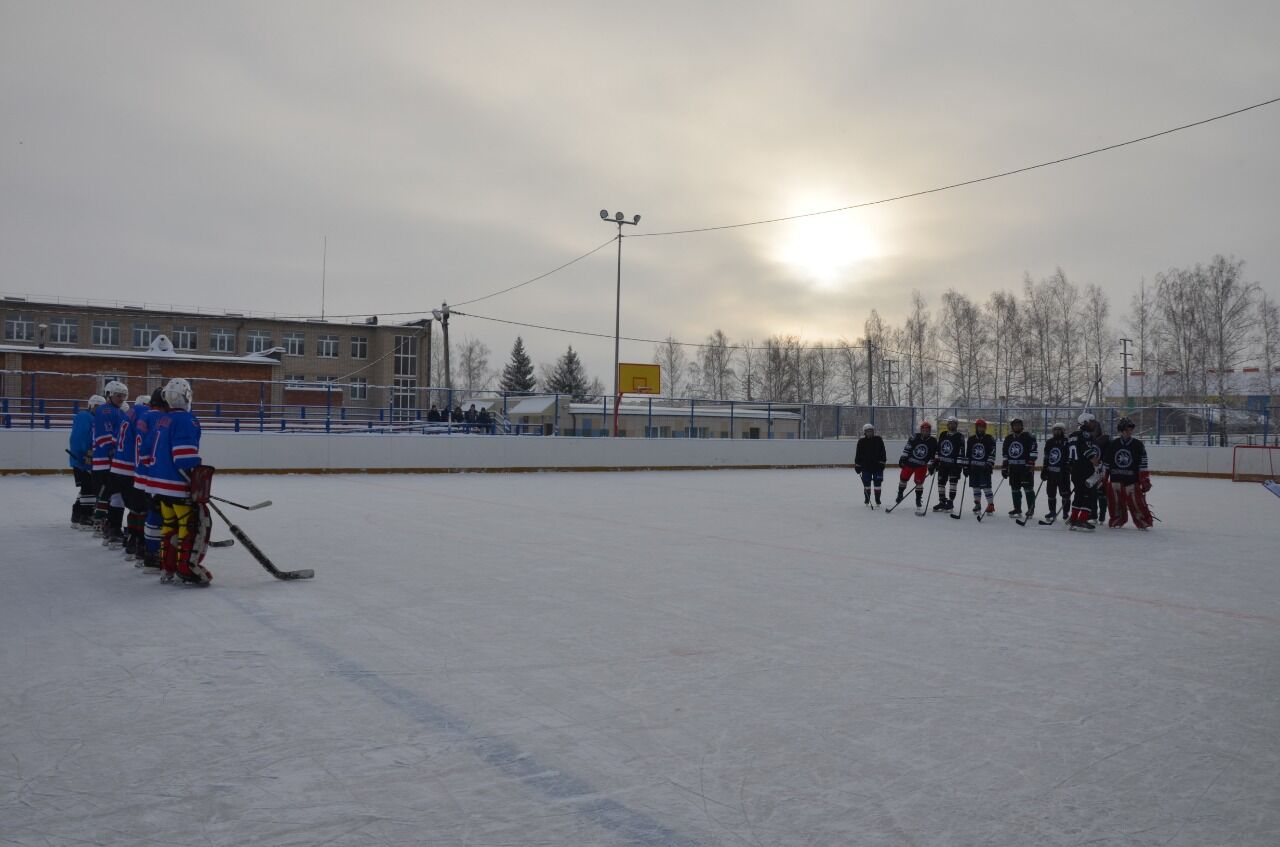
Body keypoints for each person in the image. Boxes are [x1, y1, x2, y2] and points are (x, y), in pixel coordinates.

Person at [144, 378, 211, 585]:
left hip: (158, 485)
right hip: (177, 486)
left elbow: (146, 454)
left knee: (169, 526)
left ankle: (167, 568)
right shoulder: (187, 420)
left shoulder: (161, 419)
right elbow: (184, 458)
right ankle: (187, 568)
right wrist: (194, 481)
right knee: (192, 525)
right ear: (186, 396)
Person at [107, 394, 150, 554]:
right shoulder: (144, 413)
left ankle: (113, 532)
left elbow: (114, 438)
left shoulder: (127, 413)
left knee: (117, 498)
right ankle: (136, 541)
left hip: (117, 465)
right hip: (131, 467)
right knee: (138, 506)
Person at [134, 388, 169, 571]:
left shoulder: (145, 416)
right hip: (155, 475)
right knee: (157, 514)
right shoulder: (160, 418)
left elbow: (145, 447)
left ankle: (141, 549)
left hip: (141, 473)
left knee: (144, 511)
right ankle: (153, 553)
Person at [91, 380, 129, 537]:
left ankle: (107, 526)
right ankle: (100, 524)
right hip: (104, 463)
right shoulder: (105, 411)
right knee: (106, 493)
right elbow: (103, 437)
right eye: (118, 395)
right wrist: (113, 451)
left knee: (114, 494)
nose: (121, 399)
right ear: (108, 395)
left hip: (113, 462)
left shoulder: (119, 412)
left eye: (123, 396)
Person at [1102, 417, 1153, 529]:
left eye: (1131, 429)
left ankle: (1142, 520)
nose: (1130, 431)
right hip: (1116, 478)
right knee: (1114, 502)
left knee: (1136, 502)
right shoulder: (1113, 444)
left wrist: (1144, 479)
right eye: (1127, 429)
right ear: (1122, 430)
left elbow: (1143, 464)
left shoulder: (1138, 445)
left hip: (1132, 480)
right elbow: (1106, 463)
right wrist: (1104, 479)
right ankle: (1117, 519)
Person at [68, 394, 104, 528]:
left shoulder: (91, 417)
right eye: (98, 407)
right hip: (83, 458)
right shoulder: (85, 417)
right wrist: (86, 454)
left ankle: (77, 515)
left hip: (85, 457)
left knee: (87, 487)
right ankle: (85, 517)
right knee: (89, 487)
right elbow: (81, 438)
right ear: (92, 406)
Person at [1067, 412, 1104, 530]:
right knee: (1089, 495)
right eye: (1091, 422)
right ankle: (1082, 520)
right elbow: (1086, 449)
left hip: (1075, 470)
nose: (1094, 424)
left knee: (1078, 495)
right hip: (1085, 469)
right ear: (1085, 422)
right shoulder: (1086, 435)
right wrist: (1095, 461)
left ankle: (1073, 519)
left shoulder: (1072, 435)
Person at [896, 421, 938, 511]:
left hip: (921, 465)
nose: (925, 432)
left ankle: (918, 499)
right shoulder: (914, 437)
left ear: (930, 431)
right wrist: (903, 458)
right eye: (924, 430)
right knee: (903, 478)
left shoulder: (933, 441)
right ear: (921, 430)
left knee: (919, 483)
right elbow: (907, 448)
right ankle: (900, 494)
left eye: (927, 430)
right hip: (909, 463)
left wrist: (931, 465)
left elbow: (933, 455)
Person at [1002, 417, 1039, 519]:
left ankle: (1030, 510)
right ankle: (1017, 509)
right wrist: (1004, 467)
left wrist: (1030, 465)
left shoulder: (1029, 437)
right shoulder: (1008, 438)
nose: (1016, 426)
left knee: (1028, 489)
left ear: (1022, 426)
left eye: (1018, 425)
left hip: (1025, 468)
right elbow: (1005, 454)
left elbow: (1034, 452)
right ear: (1012, 427)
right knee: (1015, 489)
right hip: (1013, 469)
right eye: (1014, 425)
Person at [1039, 422, 1071, 525]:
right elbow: (1047, 457)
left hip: (1063, 474)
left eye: (1059, 430)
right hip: (1051, 473)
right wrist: (1044, 469)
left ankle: (1065, 512)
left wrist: (1068, 466)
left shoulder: (1067, 442)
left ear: (1063, 431)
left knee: (1065, 494)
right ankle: (1052, 511)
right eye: (1055, 430)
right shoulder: (1049, 442)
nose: (1057, 432)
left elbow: (1070, 456)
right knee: (1051, 493)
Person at [932, 416, 966, 512]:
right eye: (950, 423)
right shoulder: (943, 434)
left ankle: (950, 502)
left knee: (953, 483)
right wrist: (936, 461)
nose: (951, 425)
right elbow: (938, 449)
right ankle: (942, 502)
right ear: (947, 425)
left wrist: (960, 466)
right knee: (941, 482)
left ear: (956, 425)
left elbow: (961, 451)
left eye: (953, 423)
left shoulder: (960, 436)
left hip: (954, 465)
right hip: (943, 464)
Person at [966, 418, 998, 514]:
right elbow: (968, 454)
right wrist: (966, 466)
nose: (981, 429)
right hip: (973, 468)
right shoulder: (971, 439)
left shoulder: (989, 439)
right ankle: (977, 504)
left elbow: (992, 453)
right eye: (979, 427)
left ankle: (990, 505)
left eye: (982, 427)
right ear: (976, 427)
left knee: (986, 487)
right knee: (975, 487)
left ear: (985, 428)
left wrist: (989, 464)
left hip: (984, 468)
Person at [854, 423, 887, 507]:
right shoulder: (861, 441)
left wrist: (882, 463)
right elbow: (858, 454)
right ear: (864, 432)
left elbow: (883, 452)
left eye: (871, 431)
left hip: (877, 466)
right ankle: (867, 498)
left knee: (877, 483)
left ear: (873, 431)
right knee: (866, 483)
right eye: (867, 431)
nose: (869, 433)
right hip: (865, 467)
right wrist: (857, 465)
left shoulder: (878, 439)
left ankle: (877, 499)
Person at [1087, 414, 1112, 525]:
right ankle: (1093, 514)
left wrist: (1104, 467)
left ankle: (1102, 515)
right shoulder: (1087, 439)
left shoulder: (1105, 440)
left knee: (1102, 493)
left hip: (1102, 469)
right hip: (1090, 470)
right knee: (1091, 493)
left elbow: (1109, 455)